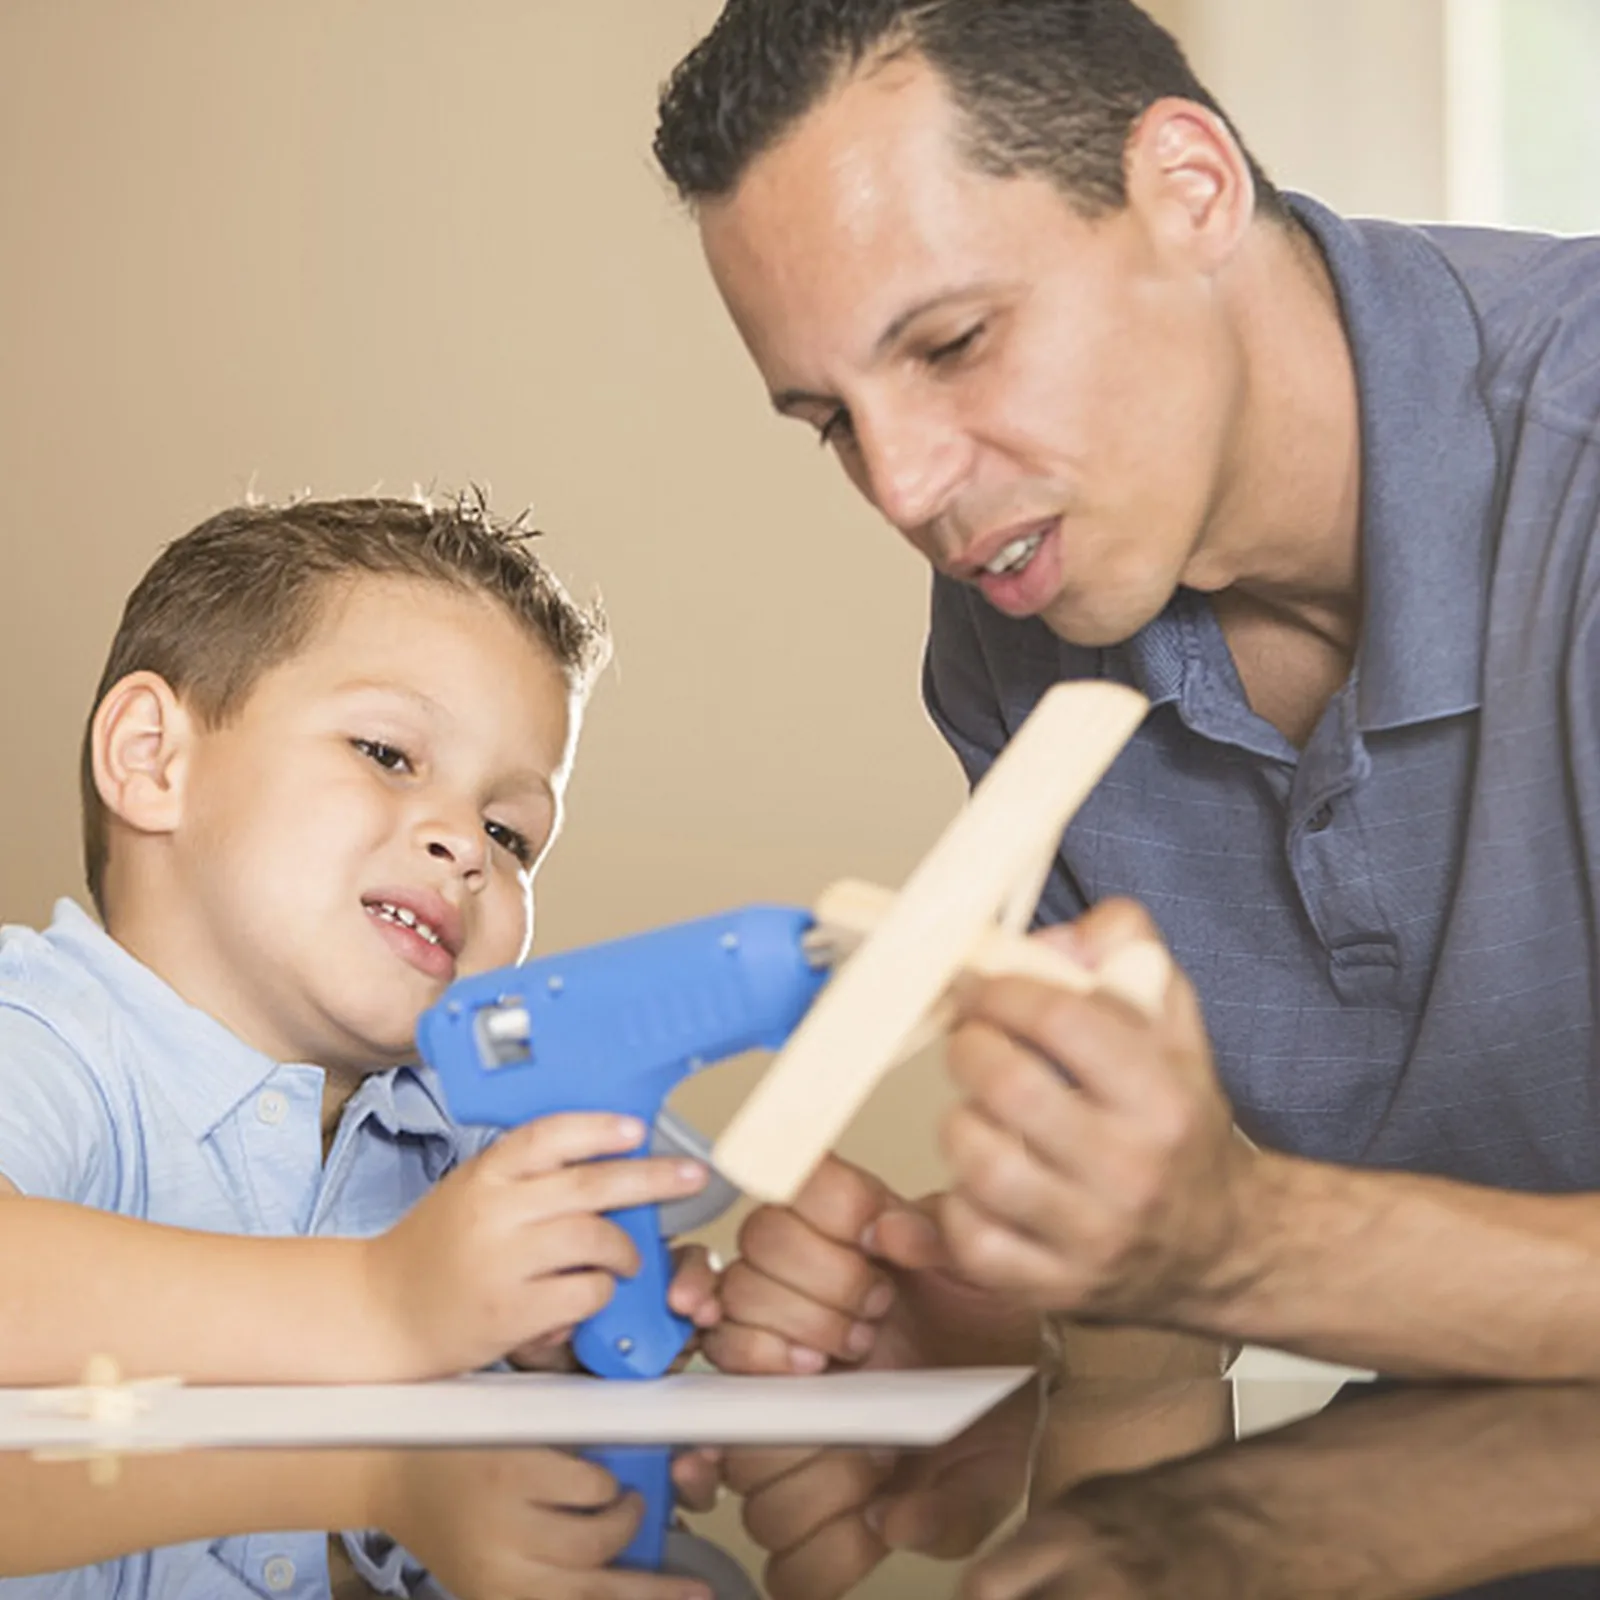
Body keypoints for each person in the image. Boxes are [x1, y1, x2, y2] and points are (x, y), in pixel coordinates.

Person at [651, 0, 1600, 1380]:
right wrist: (1039, 1331)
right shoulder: (1021, 609)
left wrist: (1235, 1250)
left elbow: (1228, 1243)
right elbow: (1153, 1352)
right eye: (835, 424)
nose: (905, 489)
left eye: (954, 343)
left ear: (1188, 188)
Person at [0, 494, 719, 1385]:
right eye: (386, 753)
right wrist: (387, 1301)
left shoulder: (476, 1136)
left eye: (510, 835)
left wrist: (550, 1333)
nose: (464, 845)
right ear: (154, 761)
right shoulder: (41, 1038)